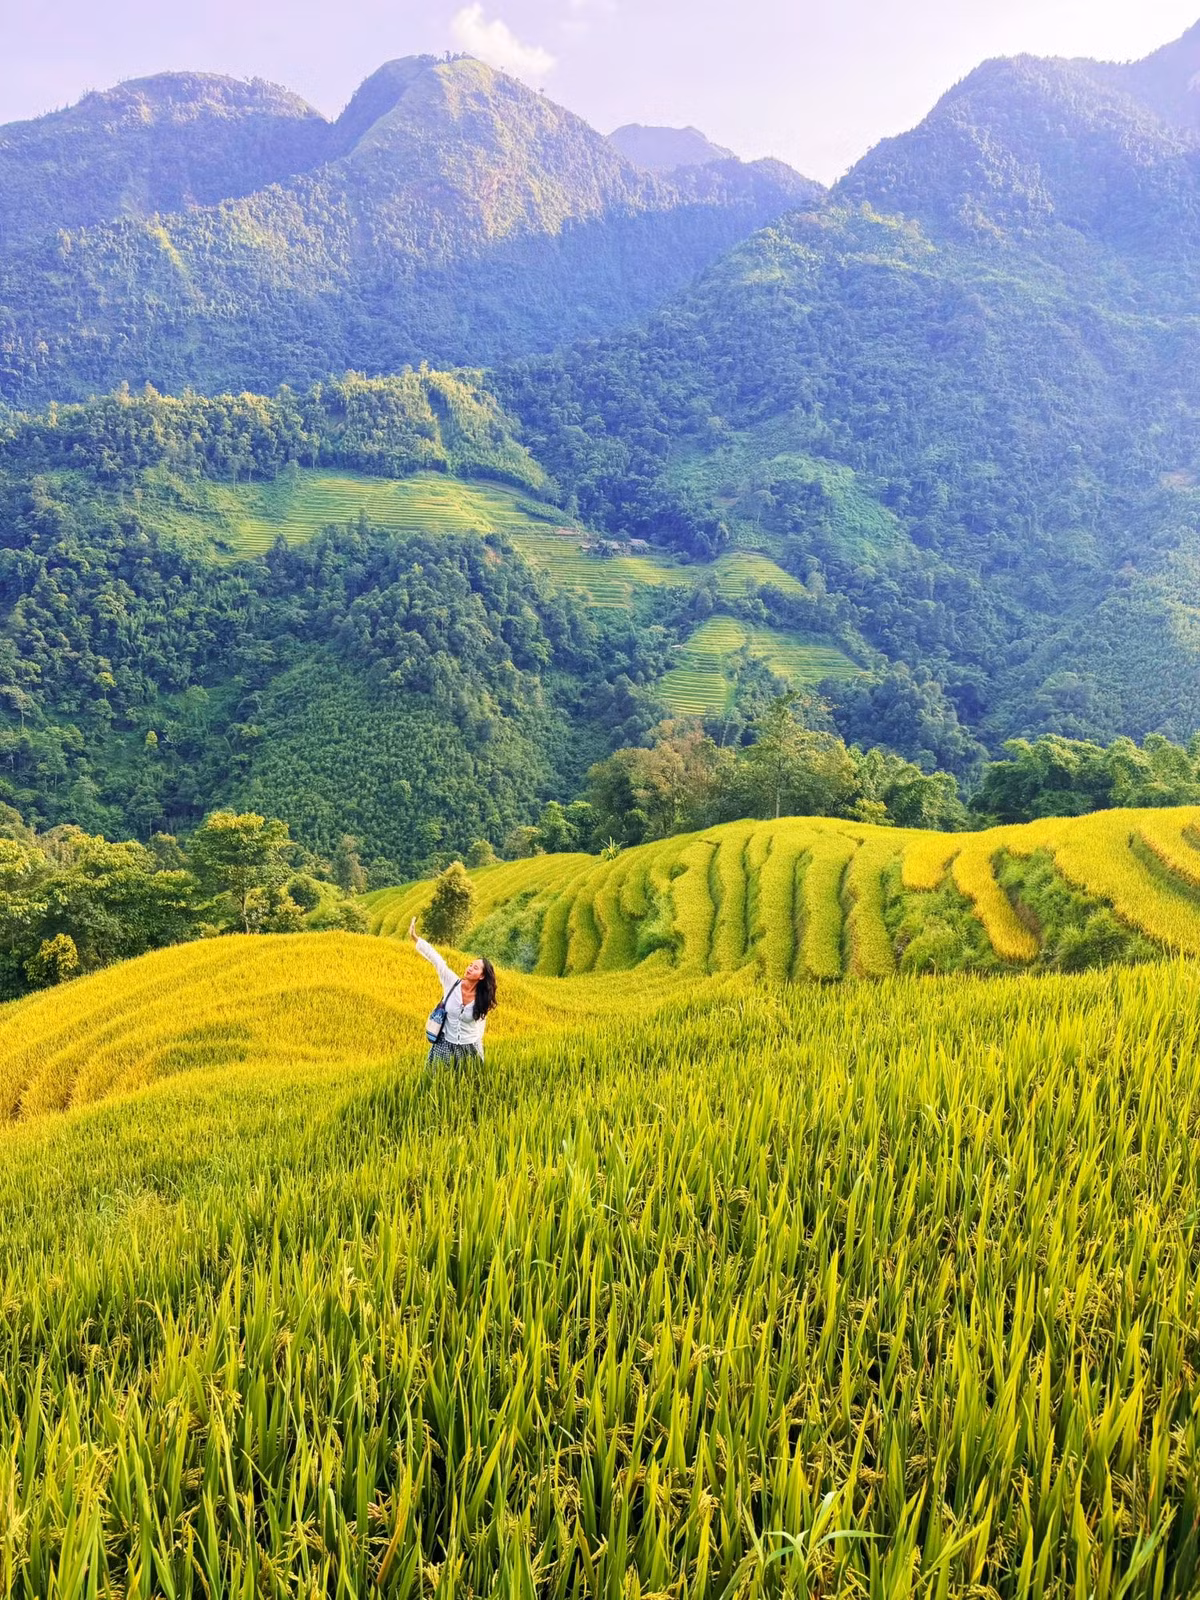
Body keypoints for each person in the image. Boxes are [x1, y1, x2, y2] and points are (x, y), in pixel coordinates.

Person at [409, 917, 497, 1067]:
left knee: (468, 1083)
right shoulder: (452, 982)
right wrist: (416, 938)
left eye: (475, 968)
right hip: (445, 1045)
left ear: (482, 976)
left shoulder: (483, 998)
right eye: (470, 965)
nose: (469, 968)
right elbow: (437, 960)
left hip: (469, 1047)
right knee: (437, 1080)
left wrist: (478, 1050)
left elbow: (480, 1026)